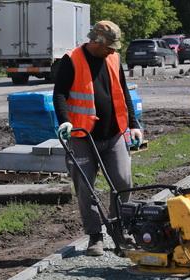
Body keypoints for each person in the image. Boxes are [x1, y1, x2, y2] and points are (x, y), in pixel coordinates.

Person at [54, 21, 143, 257]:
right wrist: (64, 120)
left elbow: (123, 92)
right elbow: (60, 93)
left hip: (113, 134)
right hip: (82, 136)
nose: (113, 51)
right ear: (96, 42)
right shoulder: (71, 59)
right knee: (86, 188)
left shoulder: (113, 59)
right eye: (110, 47)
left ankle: (118, 229)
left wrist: (133, 124)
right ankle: (95, 237)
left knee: (123, 181)